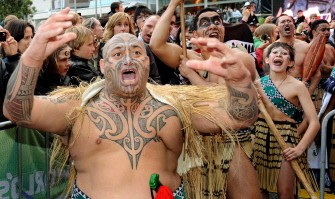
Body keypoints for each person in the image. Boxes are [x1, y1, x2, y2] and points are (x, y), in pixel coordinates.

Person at [3, 7, 258, 199]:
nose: (129, 59)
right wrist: (34, 54)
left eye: (137, 53)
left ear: (147, 63)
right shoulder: (77, 107)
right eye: (117, 53)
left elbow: (240, 117)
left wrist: (240, 83)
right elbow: (16, 111)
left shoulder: (174, 105)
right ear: (102, 66)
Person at [150, 0, 261, 198]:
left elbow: (224, 100)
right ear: (194, 35)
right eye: (204, 23)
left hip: (232, 141)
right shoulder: (188, 56)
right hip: (198, 144)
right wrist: (173, 4)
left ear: (223, 30)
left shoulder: (236, 58)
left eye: (217, 21)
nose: (212, 25)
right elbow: (156, 44)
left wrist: (192, 76)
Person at [253, 42, 319, 199]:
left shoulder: (298, 86)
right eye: (274, 52)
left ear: (290, 62)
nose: (278, 55)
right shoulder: (257, 85)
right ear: (267, 60)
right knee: (260, 191)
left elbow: (314, 122)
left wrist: (300, 148)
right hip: (260, 139)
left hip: (287, 141)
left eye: (284, 53)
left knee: (285, 193)